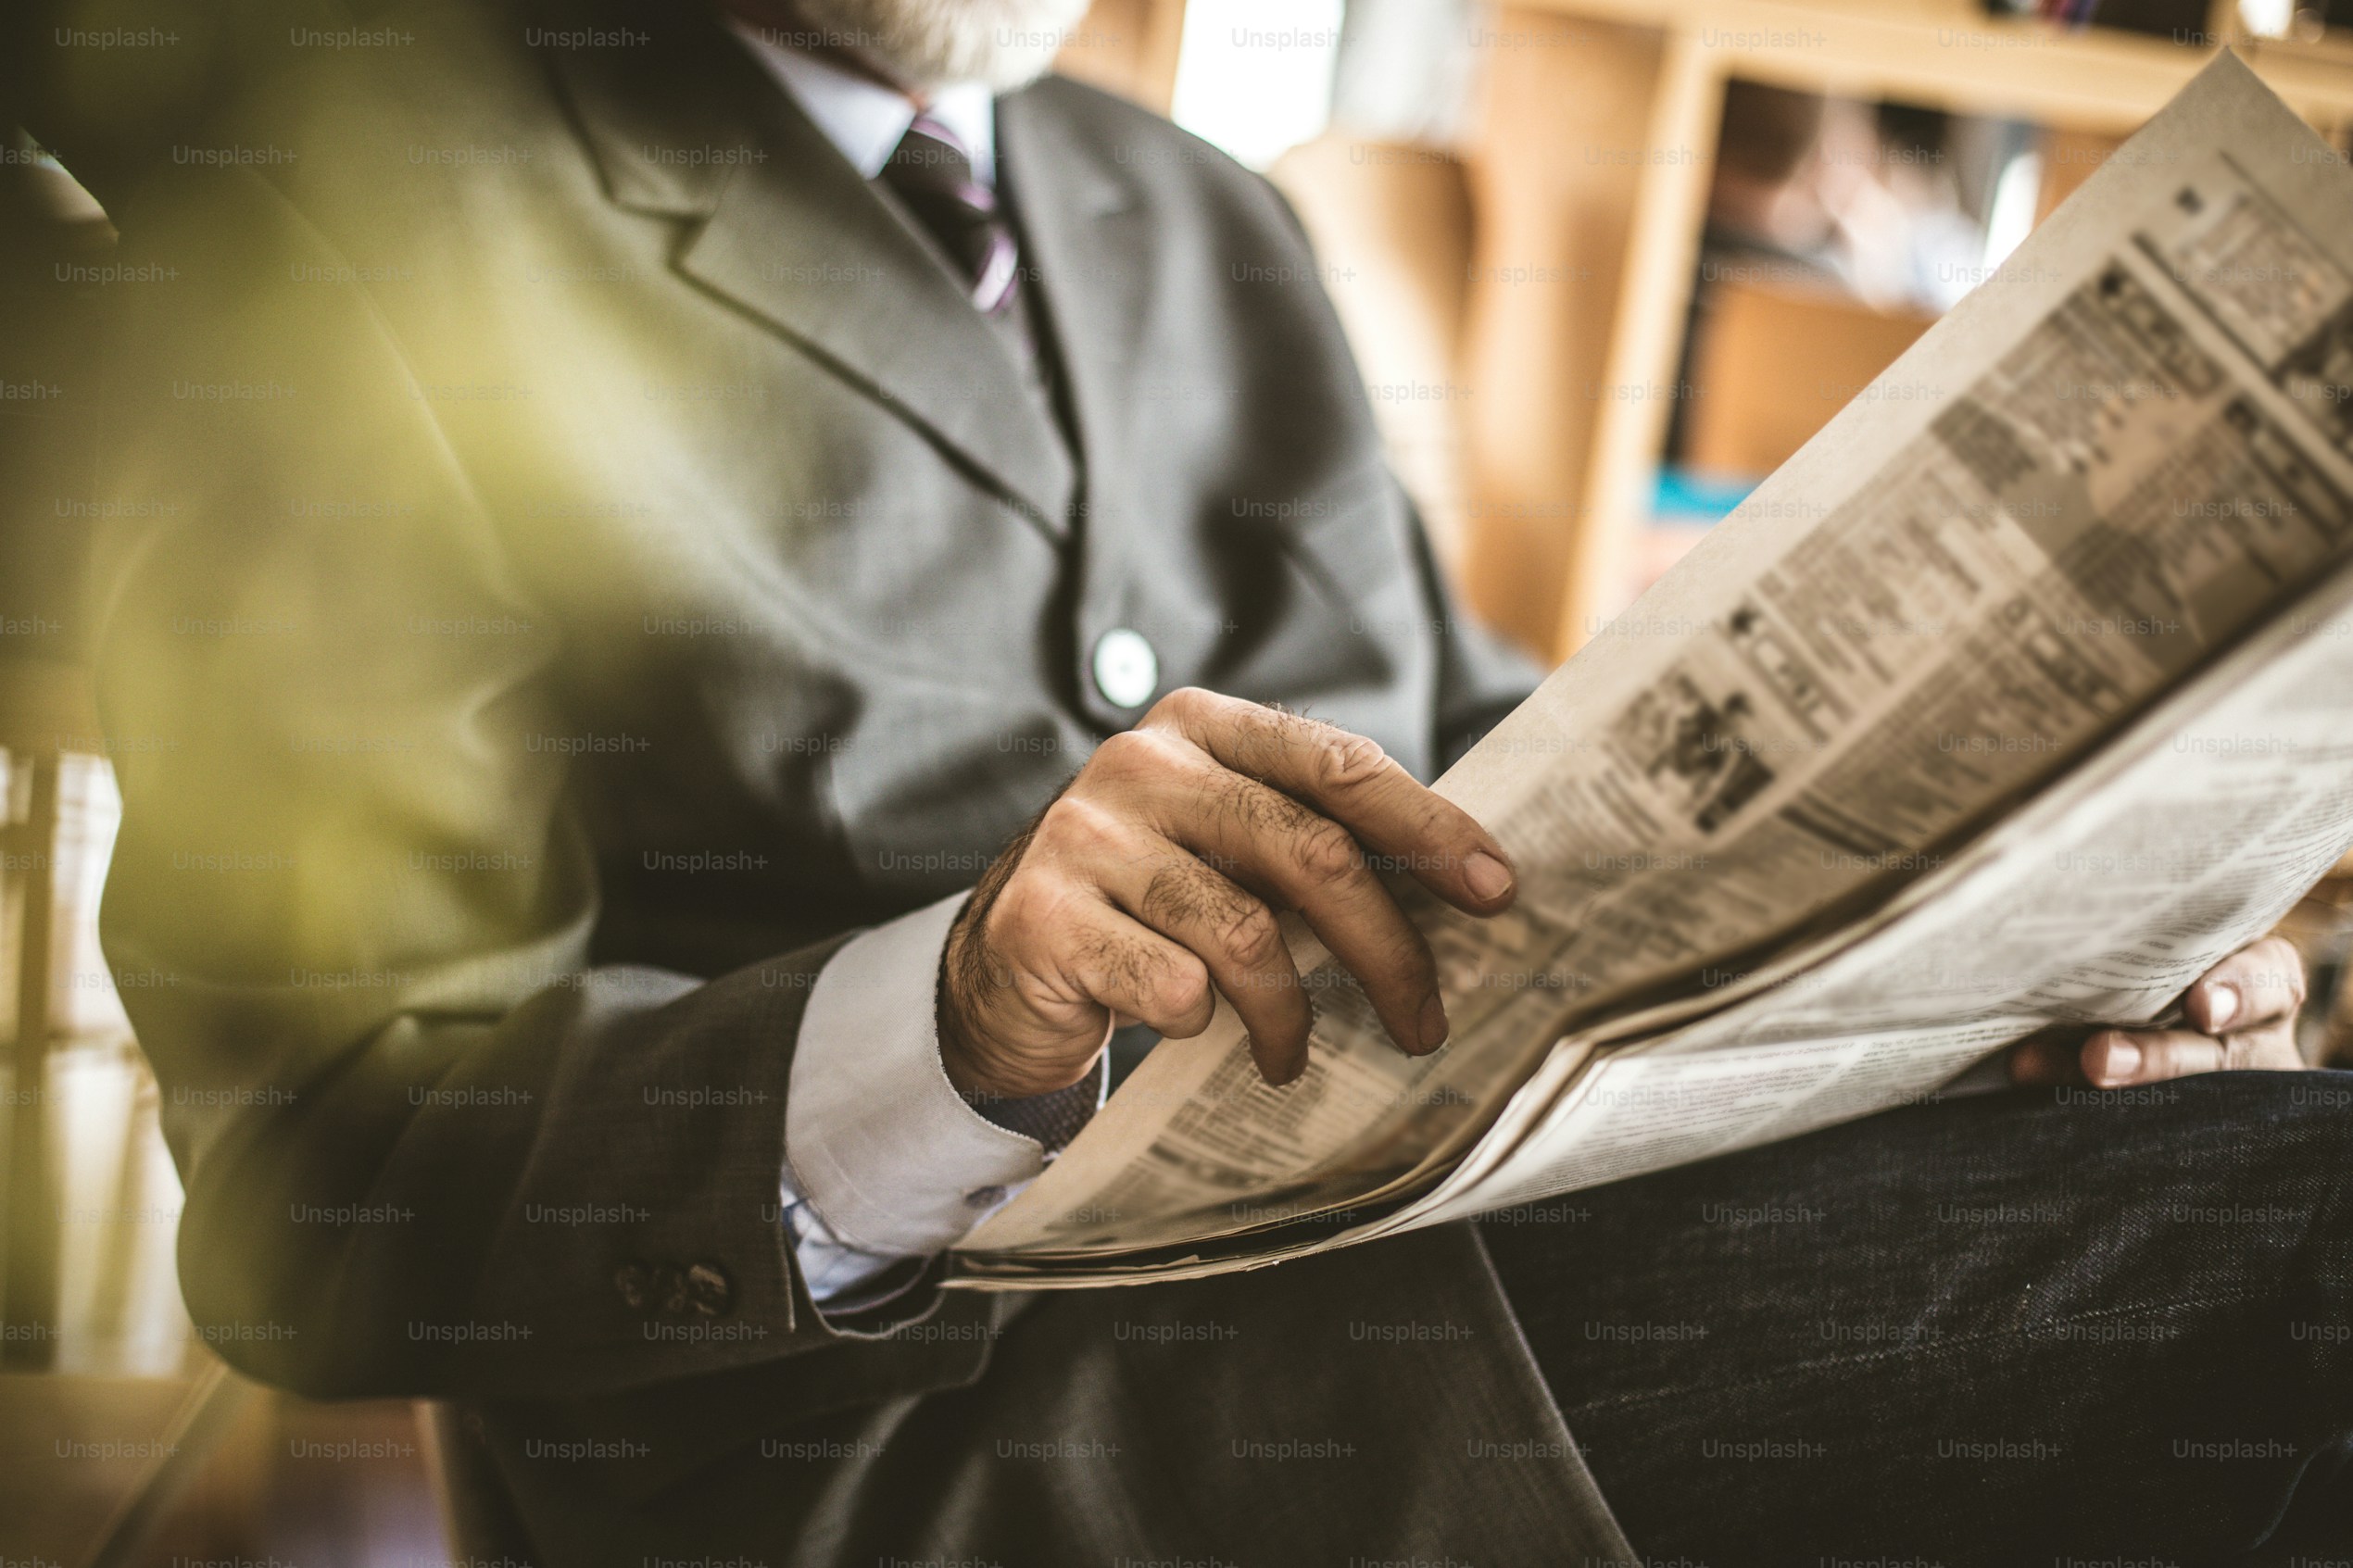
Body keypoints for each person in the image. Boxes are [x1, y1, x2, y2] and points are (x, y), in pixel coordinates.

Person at [79, 0, 2349, 1561]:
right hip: (916, 1459)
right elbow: (317, 1189)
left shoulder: (1192, 215)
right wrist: (952, 1017)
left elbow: (1500, 784)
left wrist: (1997, 985)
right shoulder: (336, 229)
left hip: (1476, 1267)